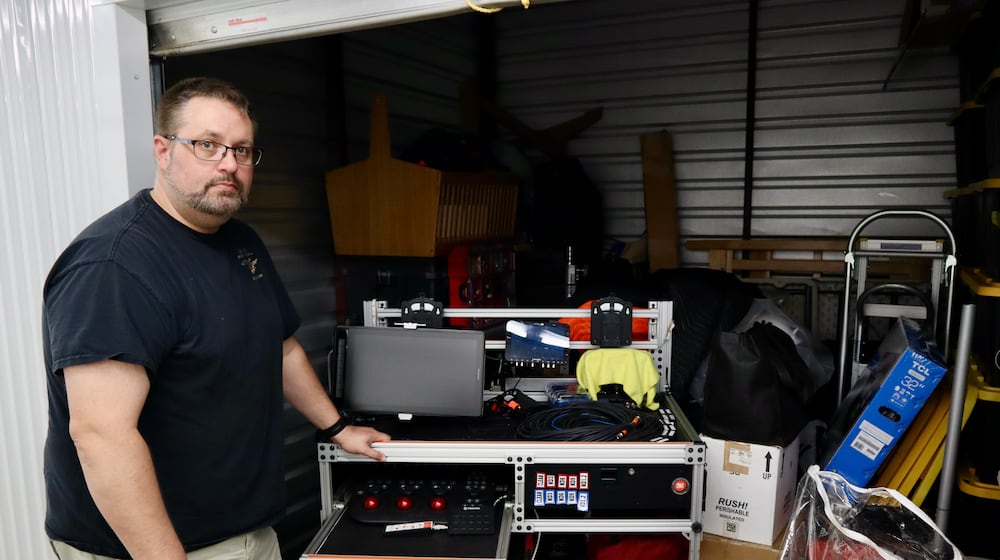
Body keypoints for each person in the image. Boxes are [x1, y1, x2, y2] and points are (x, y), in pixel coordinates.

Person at [42, 76, 391, 560]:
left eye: (242, 150)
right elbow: (102, 434)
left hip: (243, 531)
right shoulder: (114, 266)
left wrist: (337, 429)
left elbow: (280, 344)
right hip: (154, 547)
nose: (229, 164)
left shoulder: (239, 239)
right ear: (162, 150)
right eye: (207, 145)